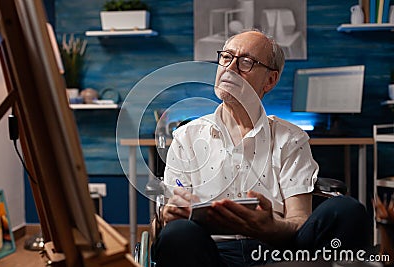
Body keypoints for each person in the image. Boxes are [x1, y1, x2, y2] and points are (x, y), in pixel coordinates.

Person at [151, 30, 370, 267]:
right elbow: (160, 230)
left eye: (246, 62)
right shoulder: (186, 137)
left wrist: (271, 227)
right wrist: (166, 217)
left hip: (276, 252)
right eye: (226, 57)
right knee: (177, 233)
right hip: (209, 253)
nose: (230, 68)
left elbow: (299, 221)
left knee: (347, 209)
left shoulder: (291, 138)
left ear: (271, 80)